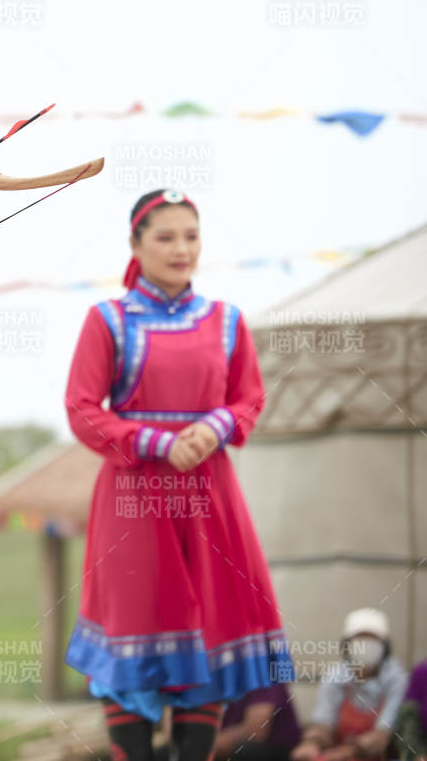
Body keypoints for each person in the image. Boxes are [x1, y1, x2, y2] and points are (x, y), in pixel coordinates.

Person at [63, 188, 294, 761]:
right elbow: (82, 409)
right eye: (165, 236)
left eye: (190, 236)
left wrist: (214, 427)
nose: (180, 248)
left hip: (209, 495)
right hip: (134, 497)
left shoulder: (226, 321)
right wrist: (156, 442)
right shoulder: (108, 321)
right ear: (136, 245)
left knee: (208, 633)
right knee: (134, 631)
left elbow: (249, 398)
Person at [293, 608, 410, 760]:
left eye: (372, 640)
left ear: (385, 646)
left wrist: (348, 752)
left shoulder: (397, 679)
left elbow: (383, 734)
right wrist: (312, 742)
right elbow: (324, 720)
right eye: (360, 639)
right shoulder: (336, 675)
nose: (366, 646)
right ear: (347, 644)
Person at [213, 681, 302, 759]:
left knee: (244, 751)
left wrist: (208, 745)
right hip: (227, 746)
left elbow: (254, 732)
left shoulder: (261, 673)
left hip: (275, 751)